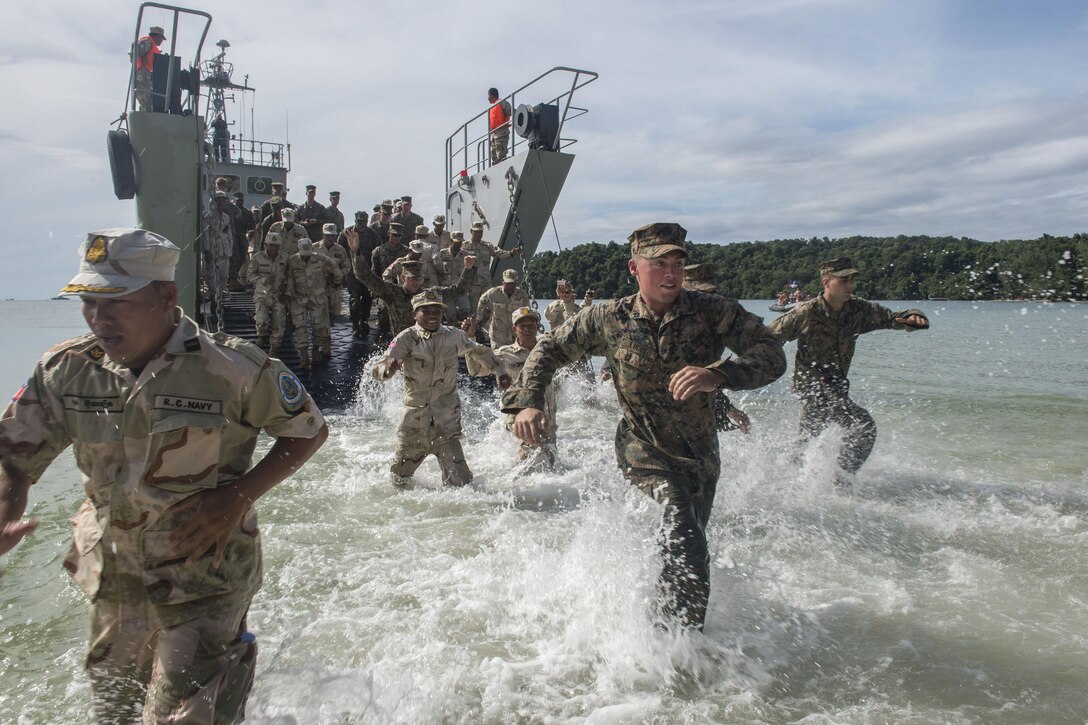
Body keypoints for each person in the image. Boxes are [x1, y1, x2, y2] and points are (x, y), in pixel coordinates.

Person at [0, 228, 327, 721]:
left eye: (115, 302)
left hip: (203, 577)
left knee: (178, 718)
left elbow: (308, 429)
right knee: (116, 713)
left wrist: (238, 496)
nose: (98, 317)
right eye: (88, 301)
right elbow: (13, 458)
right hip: (114, 579)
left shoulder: (231, 367)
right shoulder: (67, 370)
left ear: (166, 296)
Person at [502, 222, 786, 630]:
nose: (671, 274)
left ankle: (659, 626)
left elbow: (772, 354)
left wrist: (719, 375)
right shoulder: (607, 318)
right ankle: (681, 649)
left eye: (677, 264)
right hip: (643, 448)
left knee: (688, 543)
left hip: (700, 457)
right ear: (634, 268)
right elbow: (547, 349)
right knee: (684, 531)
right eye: (659, 264)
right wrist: (528, 404)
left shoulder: (712, 312)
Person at [768, 257, 929, 477]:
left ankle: (782, 477)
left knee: (807, 441)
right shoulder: (806, 312)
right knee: (864, 425)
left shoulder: (858, 309)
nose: (849, 285)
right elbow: (768, 338)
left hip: (837, 386)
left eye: (851, 280)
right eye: (843, 280)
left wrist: (914, 316)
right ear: (826, 282)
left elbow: (891, 318)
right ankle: (840, 480)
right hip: (811, 386)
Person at [372, 290, 492, 487]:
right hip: (416, 423)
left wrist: (500, 369)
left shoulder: (453, 336)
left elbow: (475, 349)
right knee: (399, 481)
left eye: (437, 310)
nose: (433, 315)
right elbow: (380, 368)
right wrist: (388, 369)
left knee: (462, 485)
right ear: (414, 315)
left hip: (446, 423)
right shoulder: (406, 339)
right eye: (426, 311)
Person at [468, 307, 558, 468]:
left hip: (547, 413)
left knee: (550, 459)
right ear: (514, 329)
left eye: (531, 325)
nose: (527, 329)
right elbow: (476, 370)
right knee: (530, 456)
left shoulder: (548, 349)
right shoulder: (504, 354)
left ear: (537, 327)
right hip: (519, 414)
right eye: (522, 326)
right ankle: (517, 484)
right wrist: (470, 338)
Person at [345, 227, 477, 336]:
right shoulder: (392, 292)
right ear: (403, 278)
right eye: (412, 279)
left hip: (427, 346)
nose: (416, 283)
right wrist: (355, 252)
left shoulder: (430, 295)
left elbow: (459, 290)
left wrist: (468, 269)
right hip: (403, 346)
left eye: (419, 279)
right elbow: (365, 276)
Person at [681, 264, 751, 434]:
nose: (706, 299)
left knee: (725, 430)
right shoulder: (668, 315)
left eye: (710, 293)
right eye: (699, 293)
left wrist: (730, 408)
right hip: (665, 404)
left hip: (705, 396)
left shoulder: (720, 319)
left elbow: (707, 374)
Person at [286, 238, 342, 368]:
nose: (306, 258)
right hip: (298, 298)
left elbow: (337, 274)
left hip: (317, 298)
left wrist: (333, 284)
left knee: (319, 327)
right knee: (300, 327)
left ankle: (316, 351)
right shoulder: (292, 261)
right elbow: (289, 279)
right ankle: (304, 356)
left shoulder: (322, 259)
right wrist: (288, 296)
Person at [463, 221, 521, 314]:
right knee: (474, 309)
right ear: (471, 231)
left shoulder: (487, 246)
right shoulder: (464, 246)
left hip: (486, 283)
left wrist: (511, 253)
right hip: (472, 284)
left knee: (488, 308)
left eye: (480, 232)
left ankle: (486, 327)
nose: (479, 234)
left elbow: (499, 253)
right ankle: (474, 327)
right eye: (476, 232)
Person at [338, 211, 380, 338]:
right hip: (352, 273)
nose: (361, 224)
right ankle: (355, 324)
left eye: (363, 222)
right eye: (359, 221)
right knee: (355, 299)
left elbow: (378, 251)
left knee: (367, 298)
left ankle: (364, 320)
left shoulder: (372, 234)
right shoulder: (345, 233)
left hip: (367, 273)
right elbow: (339, 252)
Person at [245, 231, 288, 353]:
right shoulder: (257, 258)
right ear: (266, 245)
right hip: (262, 294)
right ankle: (262, 336)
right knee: (262, 320)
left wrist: (287, 291)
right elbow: (250, 275)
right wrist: (264, 280)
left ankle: (273, 349)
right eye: (271, 245)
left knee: (279, 325)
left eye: (276, 246)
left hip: (278, 295)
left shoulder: (285, 258)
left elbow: (289, 276)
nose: (273, 248)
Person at [475, 269, 530, 349]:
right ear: (503, 282)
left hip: (515, 336)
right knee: (497, 359)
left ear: (516, 282)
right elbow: (482, 301)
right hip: (497, 336)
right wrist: (479, 318)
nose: (510, 286)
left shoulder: (522, 295)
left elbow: (527, 312)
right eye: (508, 283)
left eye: (513, 283)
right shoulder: (493, 293)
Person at [317, 223, 351, 326]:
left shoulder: (340, 250)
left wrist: (338, 275)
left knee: (334, 314)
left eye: (333, 235)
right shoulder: (314, 248)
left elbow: (347, 266)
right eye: (328, 235)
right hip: (318, 286)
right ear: (323, 235)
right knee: (319, 315)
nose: (330, 238)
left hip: (334, 287)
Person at [133, 26, 165, 112]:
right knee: (146, 101)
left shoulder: (153, 45)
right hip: (142, 76)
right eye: (162, 38)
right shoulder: (147, 41)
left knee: (148, 103)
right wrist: (142, 56)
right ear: (158, 36)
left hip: (148, 77)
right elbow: (136, 51)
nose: (162, 41)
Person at [488, 87, 512, 164]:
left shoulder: (501, 102)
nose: (487, 98)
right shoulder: (492, 107)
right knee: (494, 158)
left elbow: (511, 111)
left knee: (501, 156)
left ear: (491, 95)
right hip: (494, 136)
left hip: (501, 133)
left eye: (488, 95)